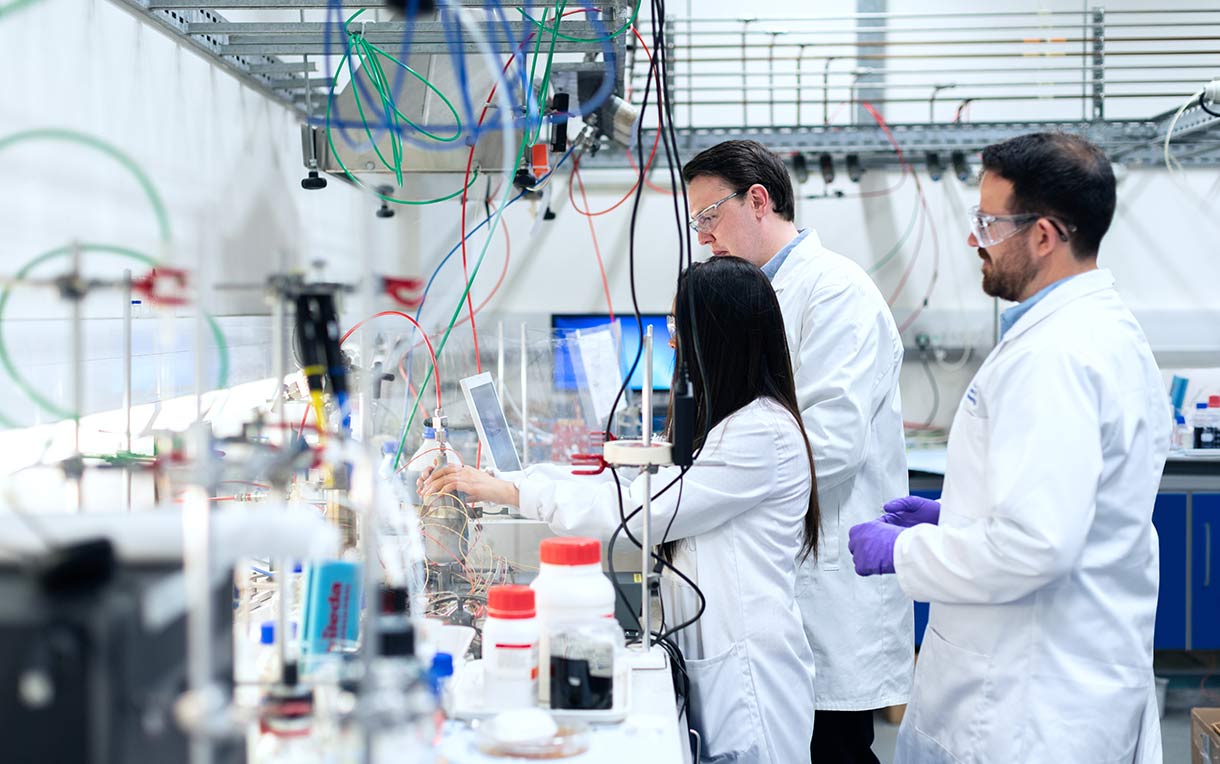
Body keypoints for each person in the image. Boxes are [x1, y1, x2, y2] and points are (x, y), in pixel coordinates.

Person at [847, 132, 1169, 763]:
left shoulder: (1056, 355)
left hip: (1028, 706)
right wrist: (959, 518)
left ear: (1045, 235)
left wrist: (906, 550)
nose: (976, 240)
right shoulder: (1097, 329)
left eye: (989, 223)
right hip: (1061, 676)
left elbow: (1034, 548)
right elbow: (1070, 510)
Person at [423, 256, 820, 764]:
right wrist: (507, 480)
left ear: (720, 336)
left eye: (680, 327)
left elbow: (637, 514)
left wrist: (513, 494)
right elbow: (629, 479)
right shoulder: (727, 424)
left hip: (749, 679)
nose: (672, 341)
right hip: (718, 660)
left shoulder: (759, 433)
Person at [681, 139, 912, 763]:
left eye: (709, 217)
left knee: (833, 750)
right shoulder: (758, 294)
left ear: (758, 200)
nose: (703, 236)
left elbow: (830, 444)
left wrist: (712, 485)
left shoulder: (835, 291)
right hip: (781, 576)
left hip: (828, 581)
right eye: (695, 222)